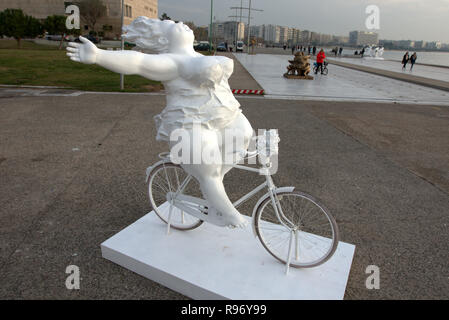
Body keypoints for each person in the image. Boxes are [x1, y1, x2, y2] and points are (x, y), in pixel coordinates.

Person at [66, 18, 253, 228]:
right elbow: (138, 62)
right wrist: (99, 55)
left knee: (243, 137)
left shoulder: (197, 55)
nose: (181, 23)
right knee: (208, 169)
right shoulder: (170, 61)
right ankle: (227, 211)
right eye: (172, 25)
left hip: (223, 116)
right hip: (190, 122)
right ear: (165, 38)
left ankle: (214, 190)